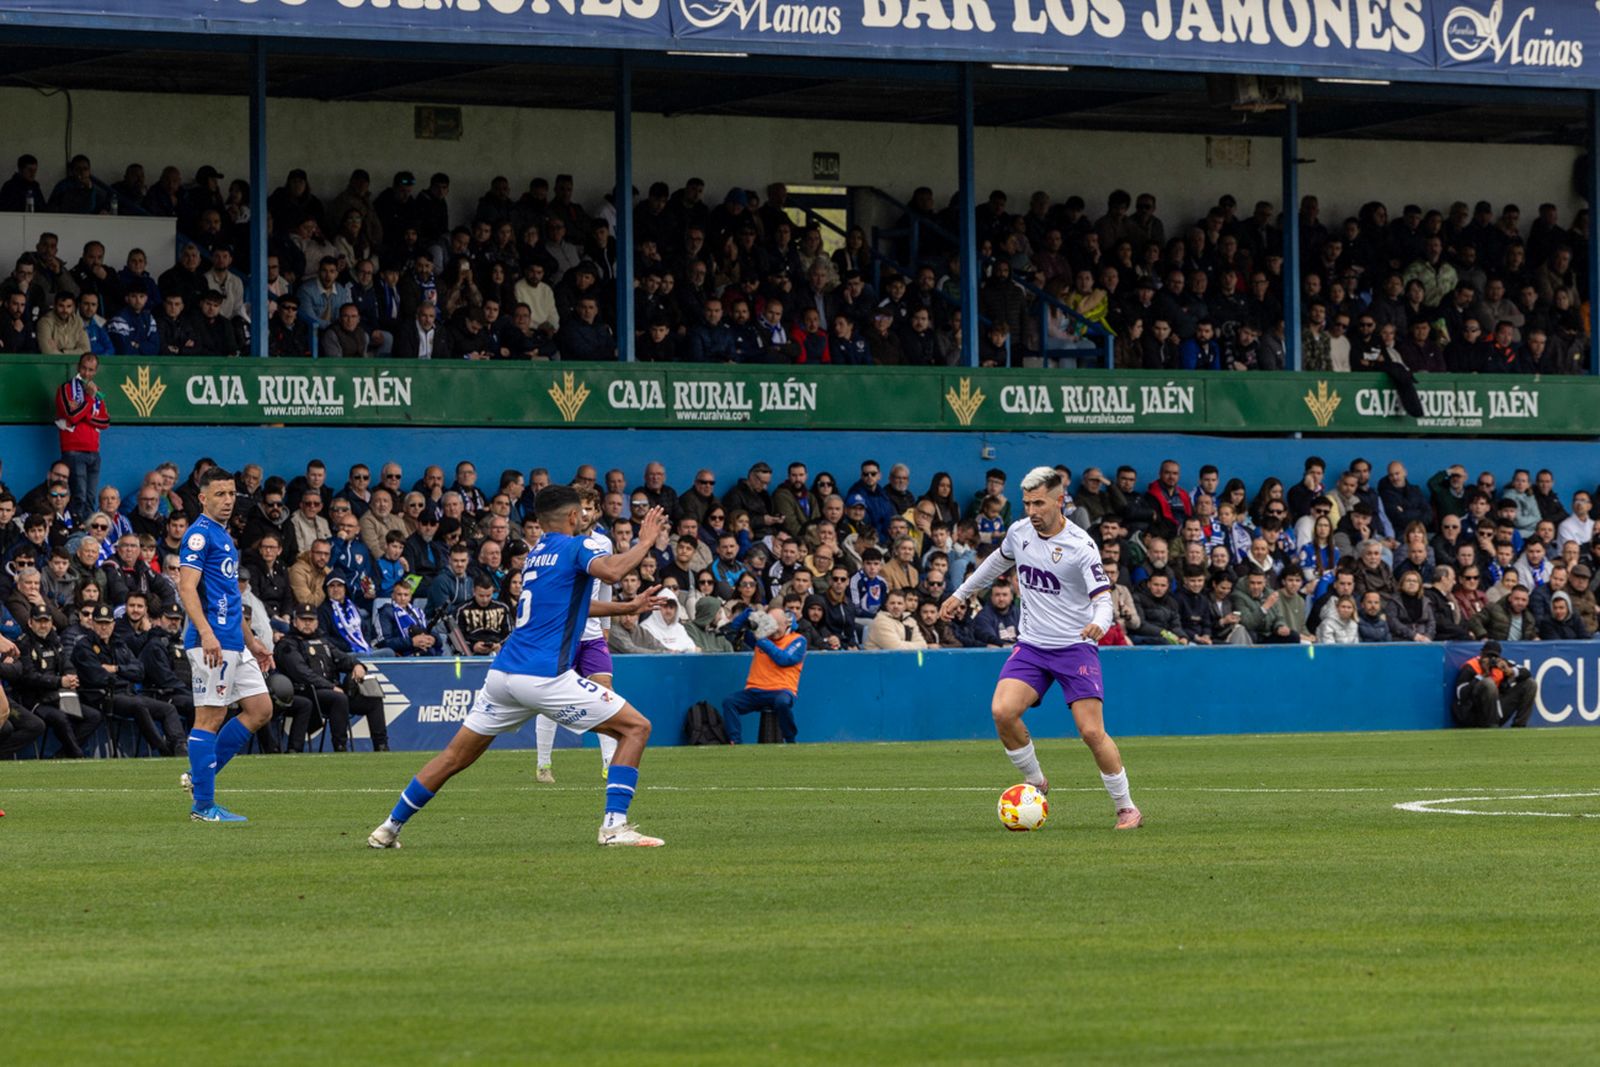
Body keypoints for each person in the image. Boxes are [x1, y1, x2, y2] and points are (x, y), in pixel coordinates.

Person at [368, 488, 669, 849]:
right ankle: (614, 827)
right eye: (582, 514)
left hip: (502, 674)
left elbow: (566, 608)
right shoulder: (580, 547)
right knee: (636, 728)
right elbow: (614, 570)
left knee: (454, 757)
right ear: (574, 517)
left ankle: (388, 827)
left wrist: (625, 607)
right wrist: (645, 541)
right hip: (543, 675)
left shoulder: (537, 555)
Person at [940, 466, 1141, 831]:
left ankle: (1126, 807)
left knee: (1091, 732)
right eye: (1027, 503)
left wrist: (1100, 622)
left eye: (1039, 503)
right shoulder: (1019, 533)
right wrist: (960, 593)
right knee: (1002, 711)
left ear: (1059, 500)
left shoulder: (1081, 545)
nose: (1031, 511)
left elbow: (1103, 597)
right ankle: (1036, 784)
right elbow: (994, 564)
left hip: (1075, 647)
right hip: (1032, 645)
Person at [177, 468, 277, 823]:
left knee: (260, 709)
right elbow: (186, 587)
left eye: (231, 494)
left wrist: (254, 643)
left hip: (235, 642)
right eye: (219, 494)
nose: (227, 500)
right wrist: (205, 633)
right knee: (210, 717)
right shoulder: (199, 536)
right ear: (203, 498)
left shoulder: (224, 537)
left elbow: (230, 598)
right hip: (211, 642)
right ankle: (203, 807)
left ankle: (199, 776)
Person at [275, 603, 388, 752]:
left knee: (373, 698)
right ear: (295, 621)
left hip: (332, 692)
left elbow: (342, 658)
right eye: (303, 620)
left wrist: (358, 665)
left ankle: (381, 746)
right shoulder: (287, 644)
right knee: (338, 698)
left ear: (317, 622)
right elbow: (301, 673)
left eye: (311, 620)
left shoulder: (324, 642)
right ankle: (340, 746)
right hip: (306, 692)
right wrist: (330, 687)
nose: (307, 623)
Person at [721, 604, 806, 744]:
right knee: (729, 702)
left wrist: (762, 640)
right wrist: (748, 613)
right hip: (755, 690)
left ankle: (790, 739)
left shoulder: (798, 640)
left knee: (782, 703)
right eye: (770, 624)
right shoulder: (761, 637)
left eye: (777, 625)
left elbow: (784, 659)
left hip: (782, 690)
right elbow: (731, 630)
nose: (773, 630)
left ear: (786, 624)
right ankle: (735, 741)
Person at [54, 353, 110, 523]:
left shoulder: (97, 392)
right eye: (84, 368)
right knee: (79, 496)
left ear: (95, 371)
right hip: (73, 450)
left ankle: (89, 532)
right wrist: (88, 399)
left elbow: (105, 421)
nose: (87, 373)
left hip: (94, 451)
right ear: (78, 367)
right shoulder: (66, 389)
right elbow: (72, 415)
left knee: (91, 498)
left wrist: (83, 413)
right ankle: (76, 528)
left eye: (91, 370)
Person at [1452, 639, 1537, 728]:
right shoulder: (1471, 667)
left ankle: (1519, 725)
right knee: (1488, 683)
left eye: (1494, 656)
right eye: (1488, 656)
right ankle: (1492, 726)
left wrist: (1510, 671)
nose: (1491, 659)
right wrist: (1482, 676)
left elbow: (1526, 672)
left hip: (1497, 709)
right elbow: (1460, 694)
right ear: (1481, 654)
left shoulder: (1500, 664)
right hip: (1474, 713)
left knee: (1530, 683)